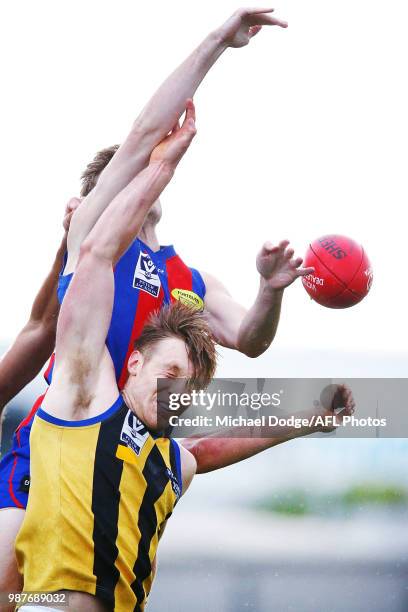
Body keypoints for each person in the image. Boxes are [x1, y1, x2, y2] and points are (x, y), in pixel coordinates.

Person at [1, 8, 307, 601]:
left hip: (130, 454)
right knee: (15, 589)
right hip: (66, 430)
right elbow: (144, 132)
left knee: (104, 588)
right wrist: (217, 42)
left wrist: (270, 290)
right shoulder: (90, 247)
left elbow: (249, 336)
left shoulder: (185, 277)